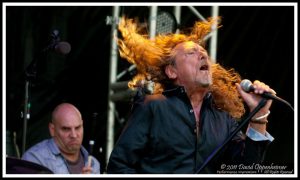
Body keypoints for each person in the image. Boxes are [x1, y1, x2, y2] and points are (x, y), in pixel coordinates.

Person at [107, 17, 276, 174]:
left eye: (203, 52)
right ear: (172, 71)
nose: (203, 54)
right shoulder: (153, 106)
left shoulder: (223, 119)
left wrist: (259, 115)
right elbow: (118, 166)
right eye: (191, 52)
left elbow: (247, 169)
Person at [22, 103, 100, 174]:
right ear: (52, 130)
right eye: (66, 129)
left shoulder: (94, 164)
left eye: (77, 128)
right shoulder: (35, 159)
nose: (74, 135)